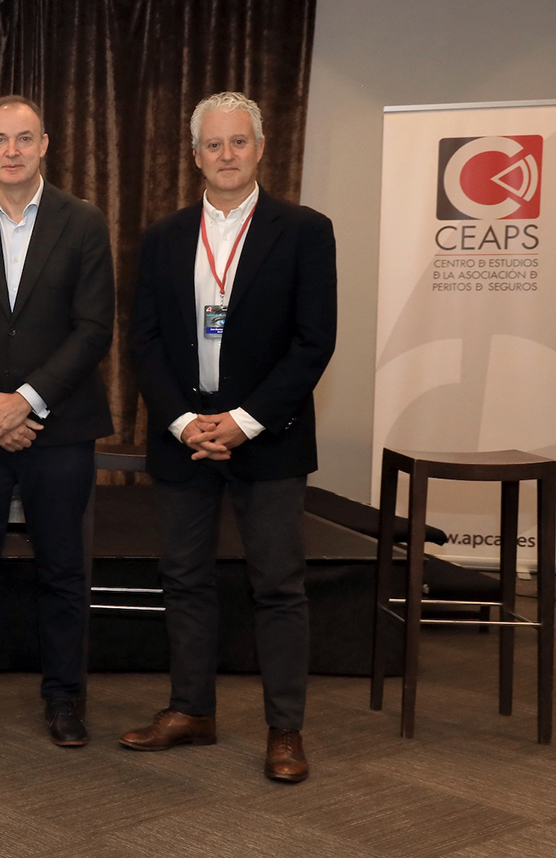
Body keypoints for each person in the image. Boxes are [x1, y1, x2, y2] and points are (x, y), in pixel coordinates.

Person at [123, 91, 337, 783]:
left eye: (238, 142)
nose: (226, 155)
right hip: (185, 435)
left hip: (267, 437)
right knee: (184, 579)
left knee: (277, 584)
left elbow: (313, 344)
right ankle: (191, 710)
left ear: (260, 148)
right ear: (195, 156)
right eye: (213, 145)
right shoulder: (163, 236)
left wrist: (243, 423)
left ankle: (284, 729)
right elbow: (145, 341)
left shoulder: (304, 230)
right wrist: (185, 422)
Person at [0, 95, 115, 747]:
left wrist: (29, 400)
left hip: (58, 427)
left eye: (24, 138)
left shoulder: (84, 221)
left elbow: (95, 328)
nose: (11, 150)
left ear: (45, 145)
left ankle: (65, 699)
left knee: (62, 568)